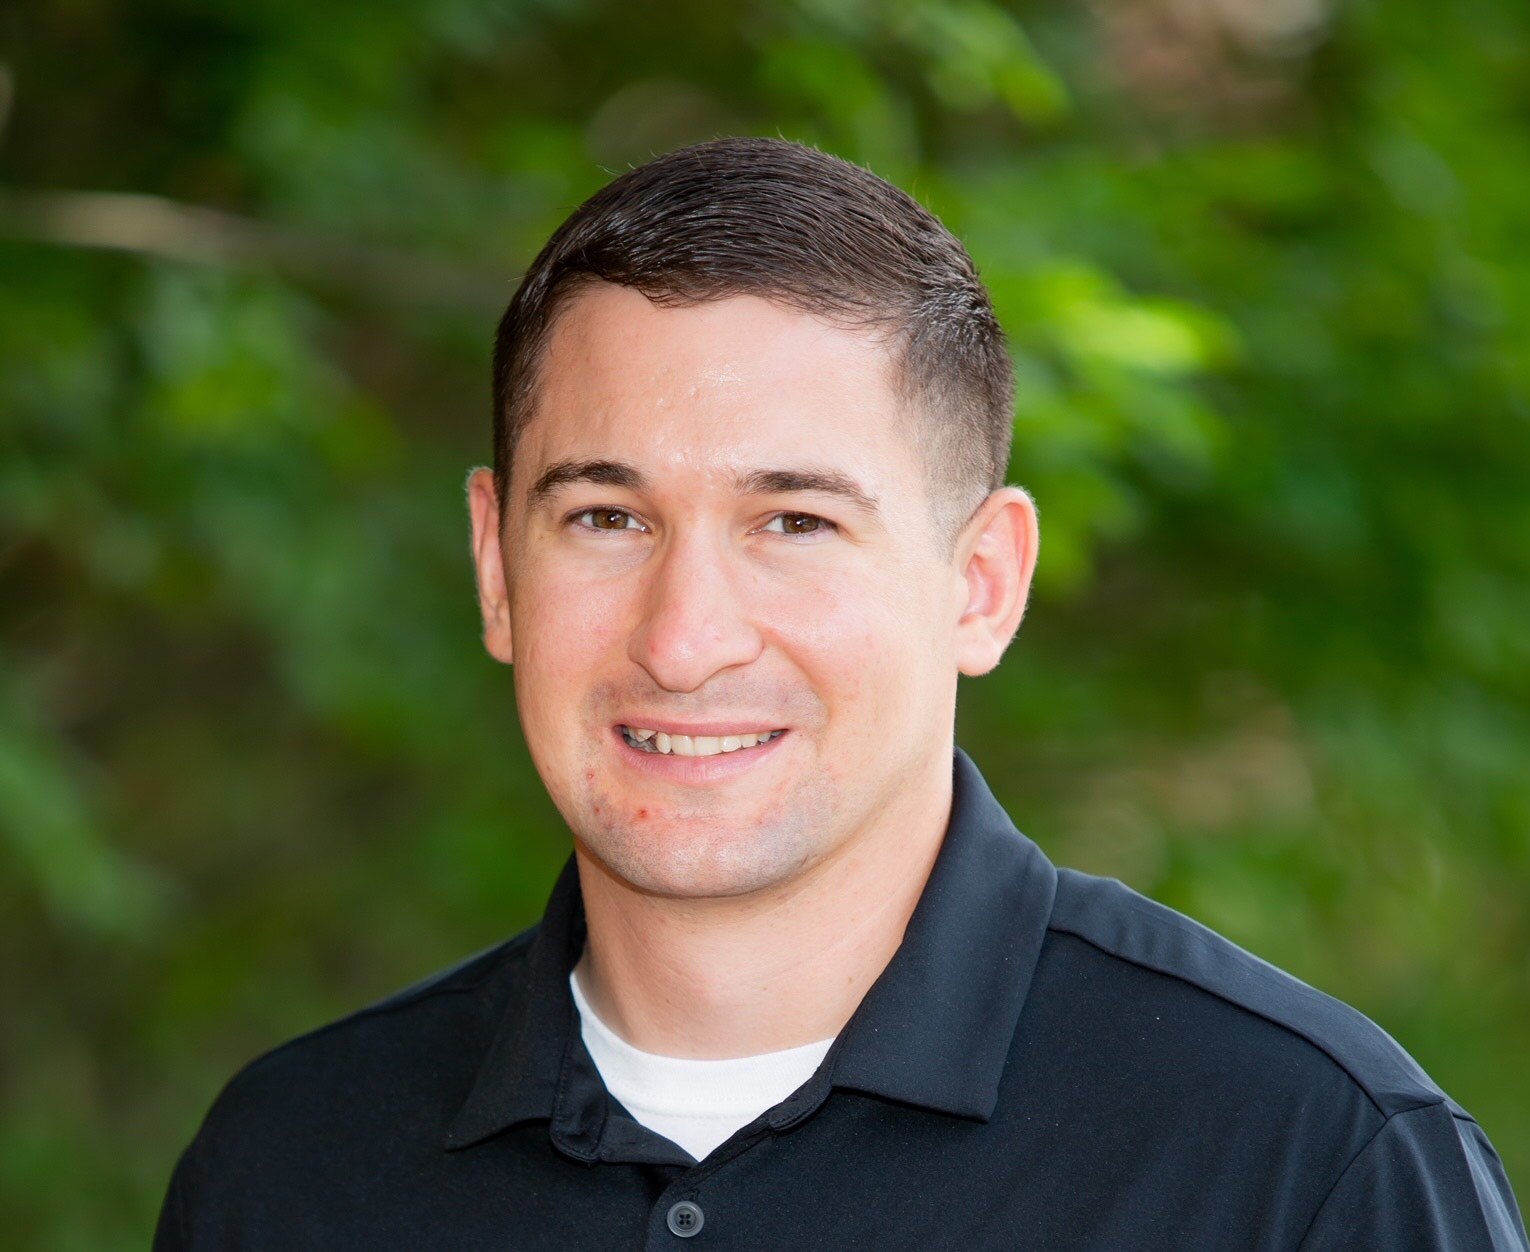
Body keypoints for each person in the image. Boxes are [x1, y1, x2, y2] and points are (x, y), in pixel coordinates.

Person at [154, 137, 1527, 1251]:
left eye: (794, 523)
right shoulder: (290, 1169)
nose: (683, 641)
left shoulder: (1306, 1168)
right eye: (605, 519)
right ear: (493, 568)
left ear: (980, 582)